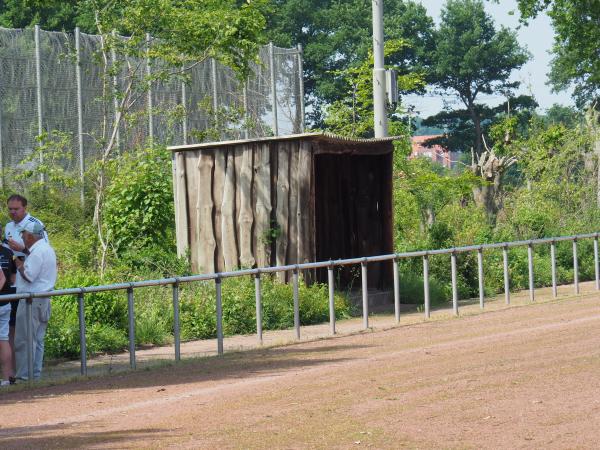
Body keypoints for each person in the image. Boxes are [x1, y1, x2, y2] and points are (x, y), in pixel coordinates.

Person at [4, 194, 48, 378]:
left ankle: (32, 374)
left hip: (31, 287)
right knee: (13, 332)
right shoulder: (8, 227)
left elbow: (43, 252)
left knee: (33, 337)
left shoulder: (34, 225)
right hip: (13, 285)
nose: (13, 212)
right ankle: (11, 373)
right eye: (10, 209)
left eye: (16, 209)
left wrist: (21, 250)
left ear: (25, 208)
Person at [13, 221, 56, 381]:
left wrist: (18, 264)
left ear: (30, 236)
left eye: (24, 234)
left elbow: (29, 275)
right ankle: (34, 376)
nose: (23, 237)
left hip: (32, 300)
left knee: (25, 340)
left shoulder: (38, 252)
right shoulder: (46, 249)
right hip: (43, 299)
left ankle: (24, 377)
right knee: (37, 341)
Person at [0, 226, 17, 386]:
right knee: (4, 339)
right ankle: (7, 377)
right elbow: (12, 279)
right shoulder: (8, 253)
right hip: (6, 301)